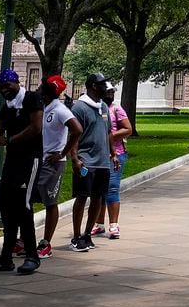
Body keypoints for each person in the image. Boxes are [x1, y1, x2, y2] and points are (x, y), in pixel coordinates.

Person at [0, 68, 44, 274]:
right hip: (12, 162)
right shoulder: (7, 108)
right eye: (1, 87)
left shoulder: (32, 99)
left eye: (7, 85)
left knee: (24, 207)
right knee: (6, 207)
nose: (4, 90)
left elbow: (36, 127)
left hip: (31, 161)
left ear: (17, 83)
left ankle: (32, 256)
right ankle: (5, 258)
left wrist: (10, 140)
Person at [34, 74, 81, 259]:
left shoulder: (60, 110)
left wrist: (63, 153)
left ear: (46, 91)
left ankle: (46, 243)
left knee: (50, 202)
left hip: (53, 163)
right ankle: (25, 240)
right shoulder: (44, 108)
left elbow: (77, 129)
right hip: (38, 160)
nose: (38, 90)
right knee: (28, 199)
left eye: (40, 87)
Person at [67, 73, 113, 252]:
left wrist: (113, 154)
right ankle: (76, 236)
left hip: (102, 162)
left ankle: (87, 234)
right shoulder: (79, 107)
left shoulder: (103, 106)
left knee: (98, 199)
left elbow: (108, 132)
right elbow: (73, 136)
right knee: (81, 197)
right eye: (103, 85)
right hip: (85, 161)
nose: (106, 88)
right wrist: (75, 159)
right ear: (93, 86)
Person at [91, 83, 132, 239]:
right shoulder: (96, 108)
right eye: (107, 92)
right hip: (98, 155)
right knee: (98, 191)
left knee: (112, 189)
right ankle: (99, 224)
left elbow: (128, 129)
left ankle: (114, 225)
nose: (109, 94)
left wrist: (110, 136)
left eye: (112, 92)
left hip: (116, 154)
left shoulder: (116, 109)